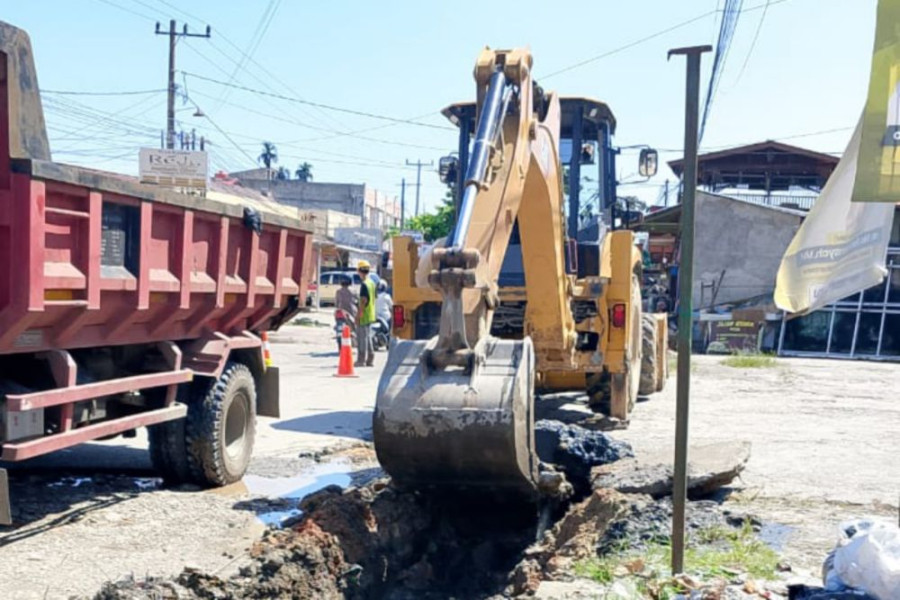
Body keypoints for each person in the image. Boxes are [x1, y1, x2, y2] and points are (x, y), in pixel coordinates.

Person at [355, 260, 377, 367]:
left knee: (362, 338)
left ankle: (361, 360)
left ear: (359, 271)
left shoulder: (364, 284)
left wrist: (358, 315)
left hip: (364, 314)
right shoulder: (372, 283)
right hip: (371, 313)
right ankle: (370, 358)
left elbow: (363, 301)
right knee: (368, 337)